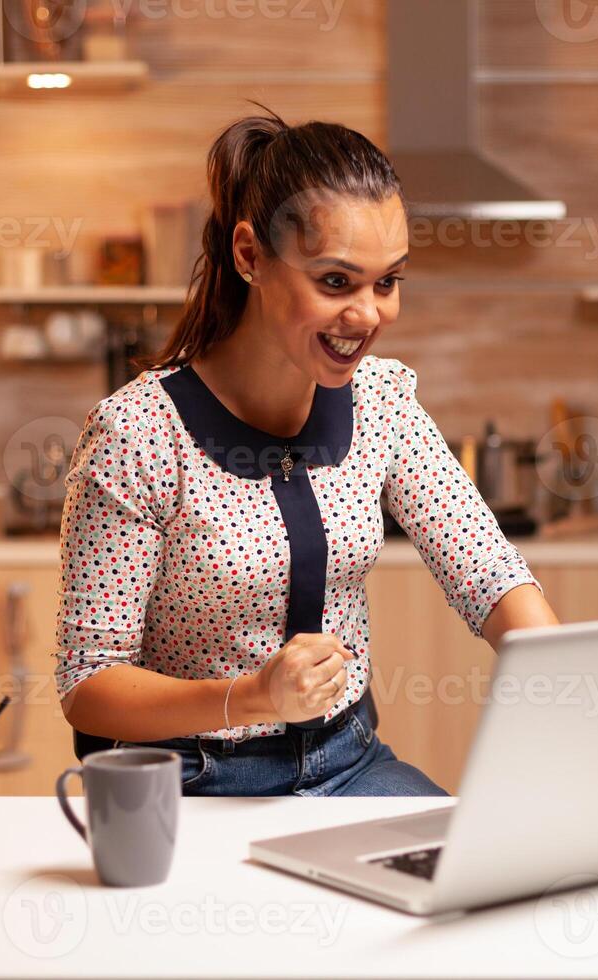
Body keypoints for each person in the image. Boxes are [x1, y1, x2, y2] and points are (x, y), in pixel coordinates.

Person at [56, 109, 560, 796]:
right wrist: (254, 696)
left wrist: (567, 674)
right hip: (188, 783)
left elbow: (489, 572)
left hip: (348, 761)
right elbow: (89, 681)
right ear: (249, 256)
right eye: (335, 282)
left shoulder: (382, 401)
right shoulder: (139, 433)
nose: (368, 315)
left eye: (387, 283)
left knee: (472, 890)